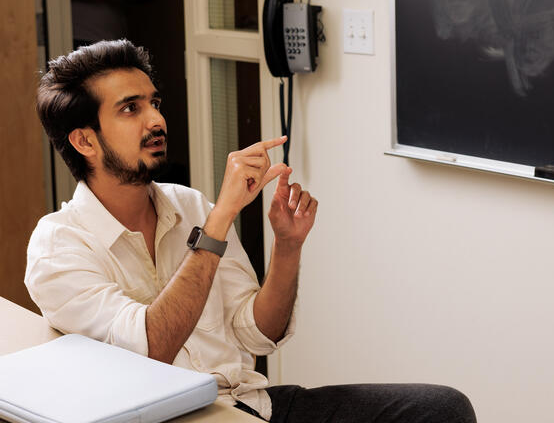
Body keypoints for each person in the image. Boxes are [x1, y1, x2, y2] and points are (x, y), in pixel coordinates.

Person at [26, 39, 476, 423]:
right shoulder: (59, 246)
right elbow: (152, 347)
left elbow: (256, 335)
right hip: (178, 418)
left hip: (251, 406)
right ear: (84, 141)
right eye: (130, 109)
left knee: (442, 409)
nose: (156, 120)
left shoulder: (189, 205)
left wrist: (287, 246)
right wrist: (220, 218)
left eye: (154, 103)